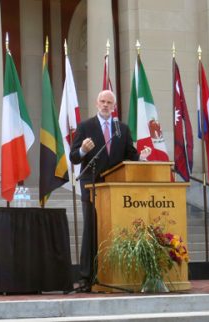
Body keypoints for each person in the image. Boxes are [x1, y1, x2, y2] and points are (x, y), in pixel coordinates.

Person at [70, 90, 151, 289]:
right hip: (92, 186)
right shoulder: (86, 126)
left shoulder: (121, 128)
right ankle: (86, 277)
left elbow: (130, 155)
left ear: (114, 106)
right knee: (91, 229)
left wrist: (141, 157)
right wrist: (83, 150)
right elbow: (73, 157)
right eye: (102, 101)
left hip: (115, 188)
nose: (106, 105)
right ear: (97, 104)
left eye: (109, 102)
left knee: (113, 229)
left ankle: (112, 272)